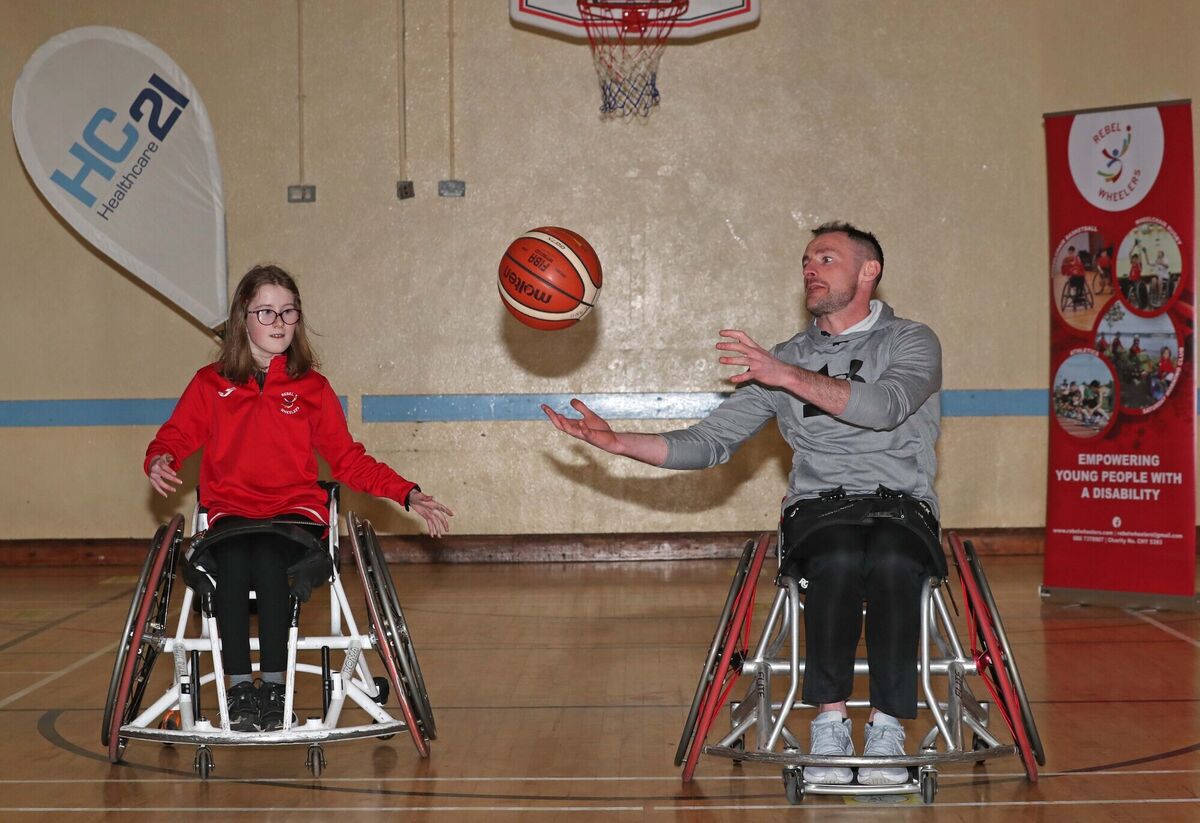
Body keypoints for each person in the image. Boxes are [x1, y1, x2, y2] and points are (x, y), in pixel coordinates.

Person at [543, 222, 942, 786]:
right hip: (820, 507)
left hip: (900, 503)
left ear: (868, 272)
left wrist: (785, 375)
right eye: (807, 259)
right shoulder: (785, 356)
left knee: (895, 560)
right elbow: (710, 442)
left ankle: (887, 728)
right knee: (839, 558)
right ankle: (829, 724)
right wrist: (616, 443)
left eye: (826, 258)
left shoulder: (910, 341)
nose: (810, 268)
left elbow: (885, 407)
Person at [145, 264, 454, 732]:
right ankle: (237, 691)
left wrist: (405, 494)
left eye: (288, 312)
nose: (278, 322)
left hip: (295, 515)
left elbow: (348, 460)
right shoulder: (211, 384)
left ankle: (272, 688)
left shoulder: (312, 388)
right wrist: (159, 459)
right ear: (242, 319)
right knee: (231, 560)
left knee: (270, 559)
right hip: (230, 513)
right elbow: (174, 436)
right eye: (266, 312)